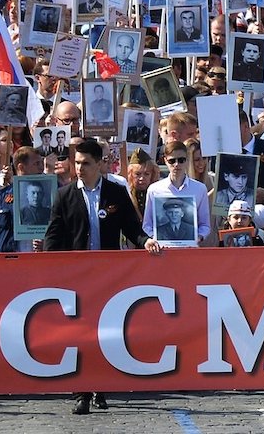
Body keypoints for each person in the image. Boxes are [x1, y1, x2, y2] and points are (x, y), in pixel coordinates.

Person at [41, 140, 160, 415]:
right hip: (76, 276)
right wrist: (47, 265)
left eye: (86, 163)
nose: (80, 168)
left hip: (108, 276)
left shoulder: (116, 193)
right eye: (77, 162)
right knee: (79, 333)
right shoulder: (65, 195)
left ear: (99, 165)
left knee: (105, 332)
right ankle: (81, 391)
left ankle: (101, 387)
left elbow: (133, 228)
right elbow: (54, 235)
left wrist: (146, 242)